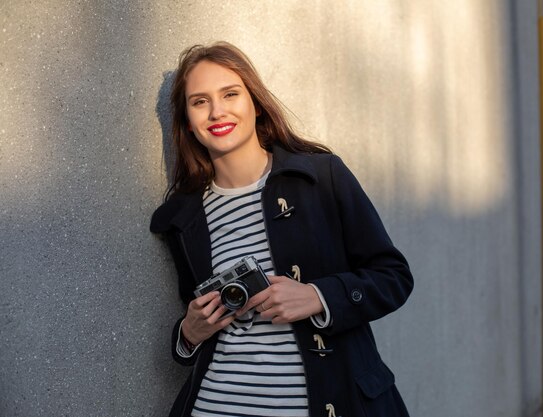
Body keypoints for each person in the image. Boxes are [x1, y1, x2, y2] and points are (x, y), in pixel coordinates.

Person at [150, 41, 413, 417]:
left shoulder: (321, 177)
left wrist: (318, 296)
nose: (217, 111)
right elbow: (198, 319)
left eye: (230, 94)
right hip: (217, 406)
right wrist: (189, 333)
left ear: (255, 104)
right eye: (199, 101)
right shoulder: (184, 217)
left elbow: (394, 277)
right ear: (188, 123)